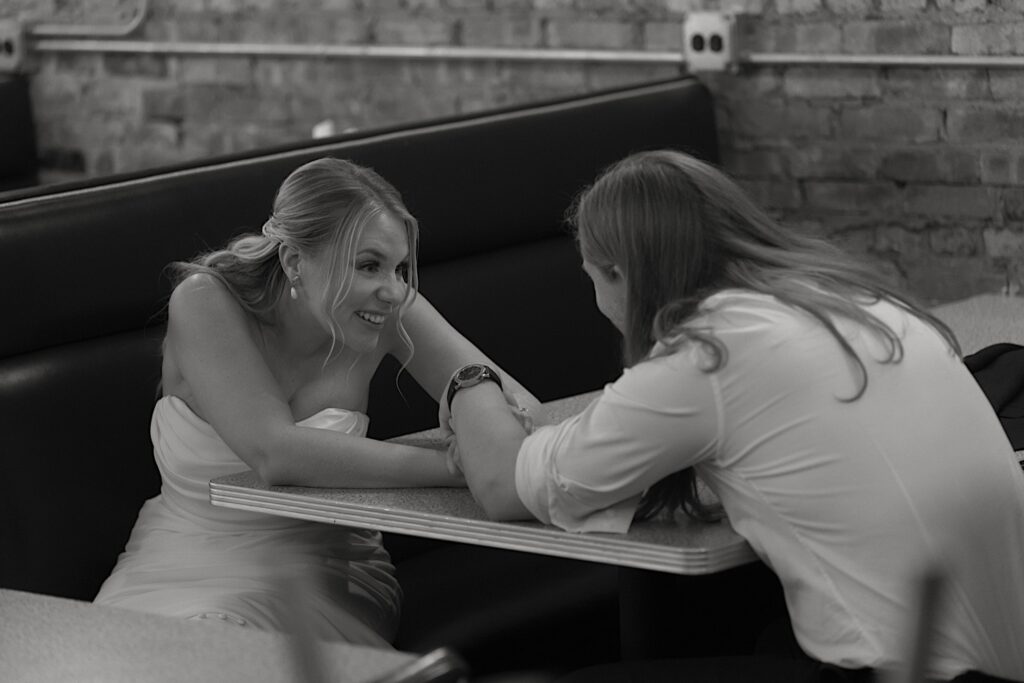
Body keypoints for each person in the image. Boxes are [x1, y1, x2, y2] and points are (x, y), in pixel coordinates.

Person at [441, 150, 1024, 682]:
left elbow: (498, 482)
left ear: (618, 273)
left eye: (592, 279)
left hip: (910, 672)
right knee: (762, 635)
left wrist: (464, 376)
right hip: (996, 662)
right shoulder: (853, 301)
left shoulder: (707, 353)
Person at [94, 156, 539, 647]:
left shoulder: (385, 308)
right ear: (294, 262)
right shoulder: (204, 303)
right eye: (369, 265)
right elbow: (275, 452)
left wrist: (480, 408)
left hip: (325, 572)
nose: (393, 289)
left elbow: (521, 403)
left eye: (400, 267)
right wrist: (459, 464)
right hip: (174, 563)